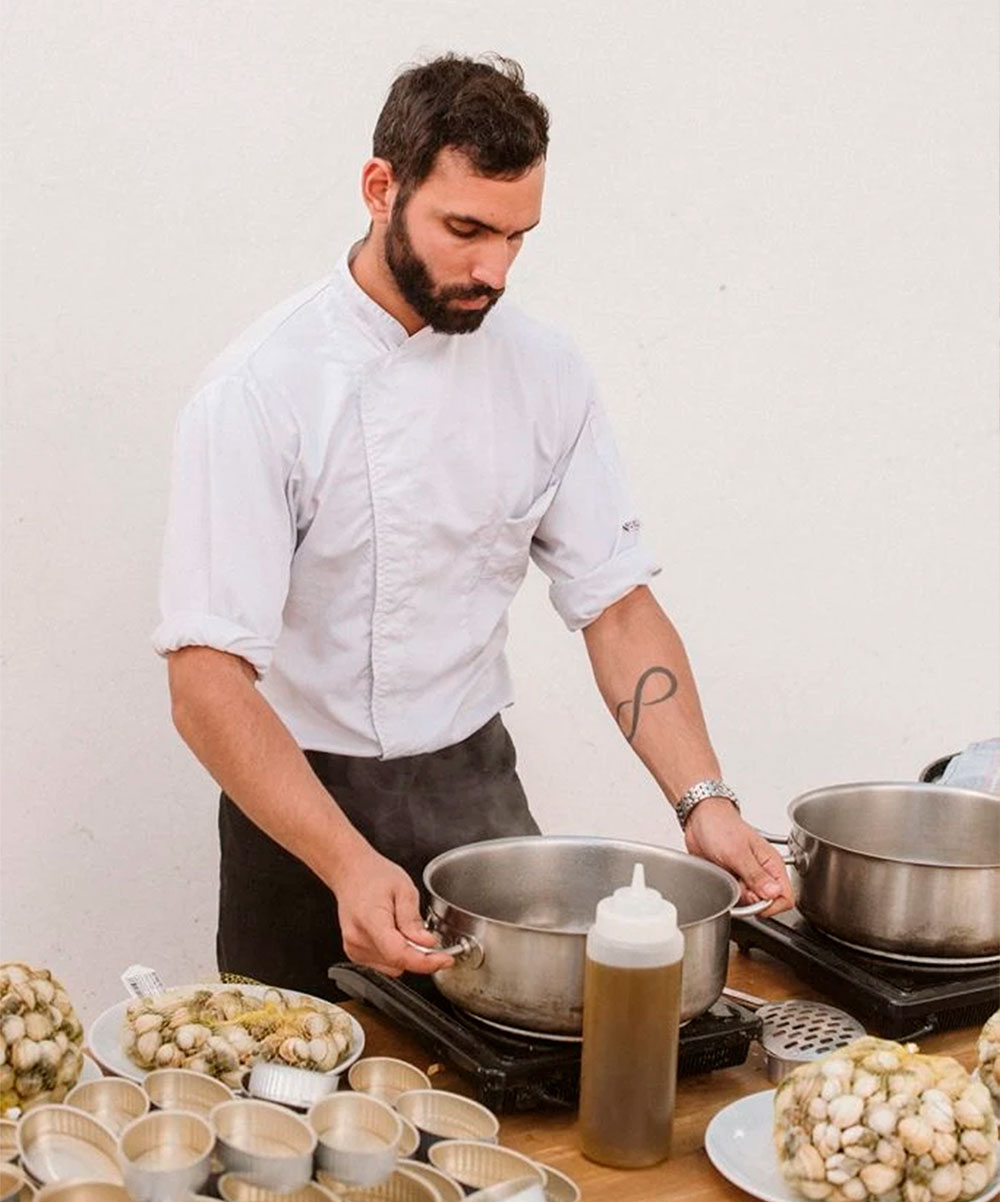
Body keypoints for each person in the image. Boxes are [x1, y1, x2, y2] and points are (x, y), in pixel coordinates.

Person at [155, 53, 793, 1000]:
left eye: (517, 237)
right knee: (298, 1109)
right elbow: (206, 680)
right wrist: (345, 861)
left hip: (474, 788)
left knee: (524, 1098)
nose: (492, 268)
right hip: (297, 805)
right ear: (381, 188)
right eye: (465, 229)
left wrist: (705, 802)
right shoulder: (259, 391)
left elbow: (615, 603)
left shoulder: (547, 373)